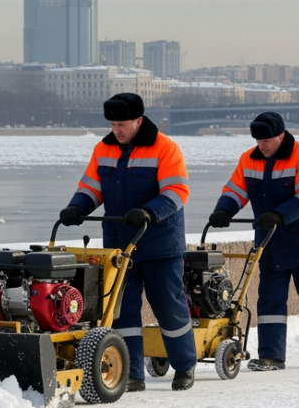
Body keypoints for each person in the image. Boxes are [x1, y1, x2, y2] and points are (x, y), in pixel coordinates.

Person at [60, 93, 199, 392]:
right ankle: (132, 373)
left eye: (121, 124)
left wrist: (149, 211)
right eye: (112, 124)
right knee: (122, 310)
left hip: (160, 244)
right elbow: (92, 187)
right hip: (120, 247)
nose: (116, 130)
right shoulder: (103, 148)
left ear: (138, 120)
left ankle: (185, 365)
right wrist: (77, 207)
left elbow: (177, 192)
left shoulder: (165, 148)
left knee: (169, 307)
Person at [208, 112, 299, 370]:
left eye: (266, 140)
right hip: (269, 243)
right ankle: (272, 356)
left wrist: (280, 215)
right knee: (269, 299)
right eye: (258, 141)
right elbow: (235, 190)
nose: (262, 145)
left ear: (281, 136)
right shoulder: (248, 159)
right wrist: (224, 209)